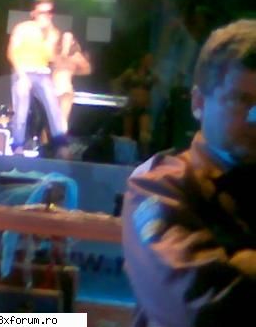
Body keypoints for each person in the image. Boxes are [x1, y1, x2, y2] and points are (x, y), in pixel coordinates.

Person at [122, 19, 256, 327]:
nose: (254, 118)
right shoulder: (160, 186)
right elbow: (198, 308)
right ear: (198, 103)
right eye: (240, 101)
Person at [7, 0, 68, 155]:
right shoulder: (23, 28)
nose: (46, 16)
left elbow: (50, 57)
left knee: (53, 106)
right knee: (21, 109)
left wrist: (50, 37)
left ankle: (61, 146)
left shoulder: (53, 33)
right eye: (42, 12)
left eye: (49, 12)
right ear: (34, 13)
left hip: (42, 73)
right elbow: (11, 52)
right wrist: (22, 75)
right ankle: (17, 146)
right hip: (23, 71)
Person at [113, 53, 157, 158]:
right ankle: (125, 156)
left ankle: (144, 157)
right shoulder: (131, 72)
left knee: (144, 135)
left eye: (151, 59)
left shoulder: (152, 75)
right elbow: (117, 82)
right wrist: (121, 96)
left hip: (144, 106)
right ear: (142, 60)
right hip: (131, 105)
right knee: (127, 134)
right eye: (148, 59)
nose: (150, 61)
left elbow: (161, 88)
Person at [51, 31, 92, 130]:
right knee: (49, 119)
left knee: (62, 120)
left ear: (73, 42)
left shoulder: (76, 56)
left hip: (65, 89)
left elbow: (87, 69)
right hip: (51, 89)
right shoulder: (54, 53)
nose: (66, 41)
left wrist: (73, 71)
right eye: (64, 39)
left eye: (69, 39)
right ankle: (46, 139)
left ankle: (60, 138)